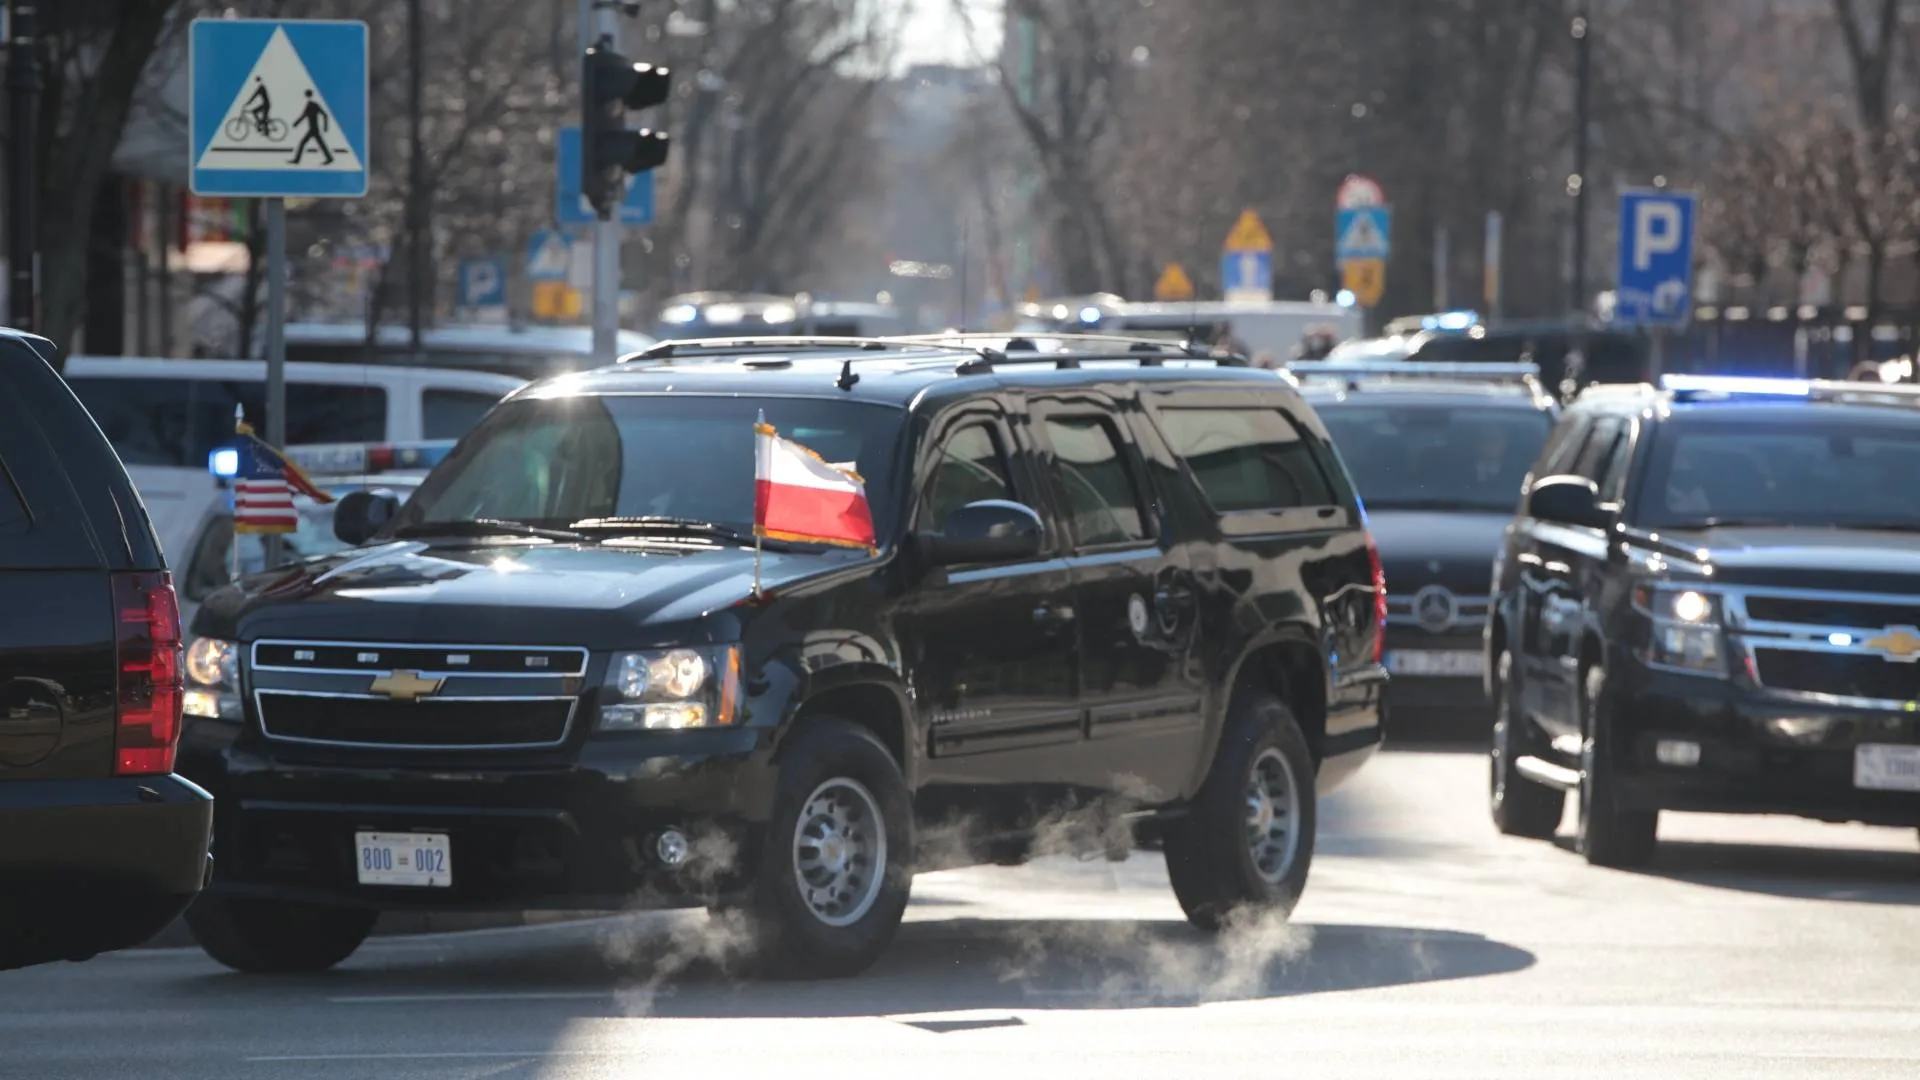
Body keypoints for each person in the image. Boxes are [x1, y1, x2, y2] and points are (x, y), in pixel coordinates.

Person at [290, 90, 334, 166]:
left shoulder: (312, 104)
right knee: (320, 144)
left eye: (306, 95)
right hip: (313, 129)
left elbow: (304, 115)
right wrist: (296, 123)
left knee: (303, 143)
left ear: (307, 95)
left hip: (313, 129)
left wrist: (326, 127)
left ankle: (297, 160)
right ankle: (330, 158)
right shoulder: (311, 104)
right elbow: (304, 115)